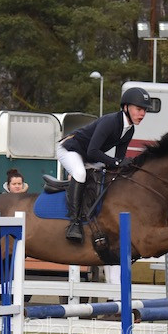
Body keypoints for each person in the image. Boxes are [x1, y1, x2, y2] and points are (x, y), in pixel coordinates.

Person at [56, 86, 152, 242]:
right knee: (80, 173)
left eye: (145, 111)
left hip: (88, 156)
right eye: (139, 109)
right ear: (126, 107)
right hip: (70, 148)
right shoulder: (110, 121)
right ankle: (74, 223)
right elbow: (94, 151)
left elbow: (118, 160)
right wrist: (116, 162)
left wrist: (124, 165)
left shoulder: (129, 130)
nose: (142, 114)